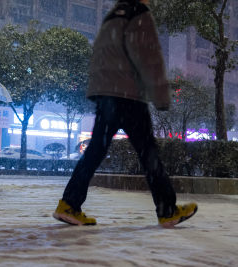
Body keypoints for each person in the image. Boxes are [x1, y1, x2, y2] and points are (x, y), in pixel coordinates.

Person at [53, 0, 198, 228]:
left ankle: (69, 203)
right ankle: (167, 209)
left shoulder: (112, 16)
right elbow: (149, 55)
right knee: (149, 153)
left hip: (107, 95)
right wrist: (161, 95)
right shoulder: (138, 13)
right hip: (129, 95)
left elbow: (100, 56)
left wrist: (98, 92)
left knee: (95, 151)